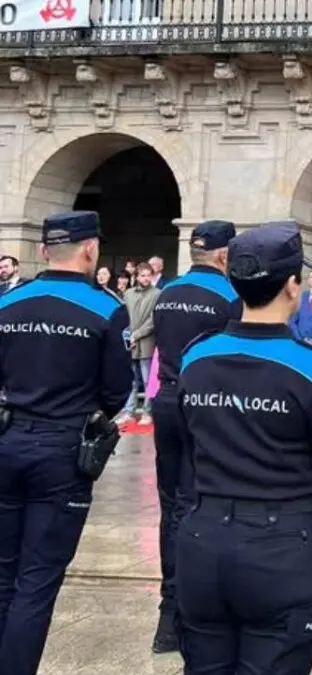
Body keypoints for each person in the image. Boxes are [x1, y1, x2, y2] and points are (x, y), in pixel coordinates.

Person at [173, 221, 312, 674]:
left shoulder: (196, 356)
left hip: (202, 539)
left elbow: (185, 446)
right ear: (293, 286)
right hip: (284, 545)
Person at [0, 210, 132, 675]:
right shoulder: (106, 308)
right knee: (37, 581)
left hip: (8, 439)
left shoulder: (9, 302)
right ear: (90, 249)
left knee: (3, 574)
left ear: (41, 251)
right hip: (63, 449)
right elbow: (118, 389)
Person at [149, 219, 241, 653]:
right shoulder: (230, 297)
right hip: (206, 406)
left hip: (166, 401)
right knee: (201, 502)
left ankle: (167, 616)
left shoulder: (166, 293)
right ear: (225, 255)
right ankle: (192, 609)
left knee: (171, 506)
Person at [118, 262, 160, 426]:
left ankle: (148, 412)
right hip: (130, 344)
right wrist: (129, 335)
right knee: (131, 381)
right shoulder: (128, 294)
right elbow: (123, 316)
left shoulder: (157, 294)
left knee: (148, 380)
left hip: (147, 343)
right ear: (136, 276)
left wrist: (137, 334)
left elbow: (153, 320)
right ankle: (128, 411)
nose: (145, 278)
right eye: (142, 275)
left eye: (148, 275)